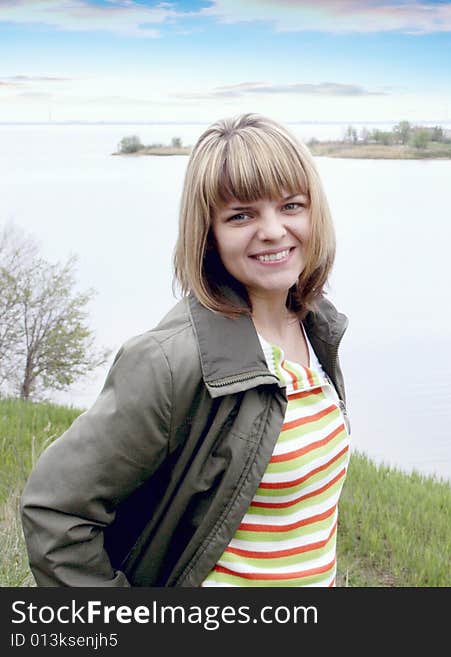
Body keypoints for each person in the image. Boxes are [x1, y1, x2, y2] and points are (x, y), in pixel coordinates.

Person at [21, 113, 351, 587]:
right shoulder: (169, 362)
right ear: (209, 234)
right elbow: (54, 510)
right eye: (241, 215)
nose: (274, 230)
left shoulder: (316, 330)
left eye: (291, 205)